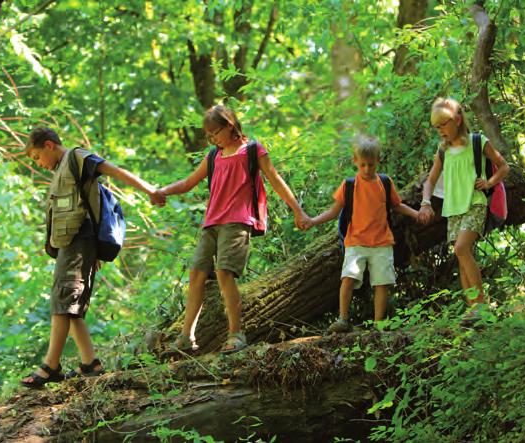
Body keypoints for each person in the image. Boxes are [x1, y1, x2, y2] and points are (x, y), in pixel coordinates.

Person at [154, 104, 309, 353]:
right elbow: (188, 182)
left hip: (238, 220)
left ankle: (236, 334)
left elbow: (275, 179)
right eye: (209, 135)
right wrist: (163, 191)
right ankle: (186, 337)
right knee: (196, 274)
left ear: (229, 125)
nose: (213, 138)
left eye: (215, 132)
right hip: (212, 222)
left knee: (224, 272)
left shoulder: (252, 151)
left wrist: (297, 210)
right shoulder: (214, 156)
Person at [20, 127, 164, 388]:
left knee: (63, 300)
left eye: (37, 157)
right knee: (70, 304)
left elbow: (116, 171)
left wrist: (150, 190)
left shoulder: (77, 158)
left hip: (79, 240)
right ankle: (90, 364)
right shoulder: (61, 170)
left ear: (50, 145)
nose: (39, 164)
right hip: (70, 243)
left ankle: (51, 366)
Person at [303, 135, 419, 332]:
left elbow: (397, 206)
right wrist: (312, 221)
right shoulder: (349, 186)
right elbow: (333, 212)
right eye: (363, 165)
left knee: (381, 283)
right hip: (355, 242)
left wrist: (417, 214)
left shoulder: (385, 182)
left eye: (371, 165)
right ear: (355, 161)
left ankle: (379, 324)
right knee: (348, 279)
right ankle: (343, 319)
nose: (367, 169)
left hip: (382, 242)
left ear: (378, 161)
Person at [417, 97, 509, 324]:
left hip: (475, 204)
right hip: (454, 209)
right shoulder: (443, 152)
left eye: (443, 124)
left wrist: (489, 182)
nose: (440, 131)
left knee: (461, 248)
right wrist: (426, 202)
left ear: (457, 120)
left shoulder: (478, 142)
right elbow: (429, 181)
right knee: (461, 255)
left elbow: (504, 166)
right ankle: (472, 311)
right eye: (436, 127)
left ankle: (481, 307)